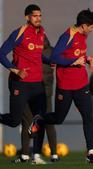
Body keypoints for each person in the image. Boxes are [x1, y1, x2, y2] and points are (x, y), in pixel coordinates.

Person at [29, 9, 93, 164]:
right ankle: (39, 119)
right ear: (83, 26)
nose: (92, 30)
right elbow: (55, 57)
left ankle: (91, 153)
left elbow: (75, 54)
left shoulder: (83, 35)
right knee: (59, 118)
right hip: (66, 87)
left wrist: (86, 58)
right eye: (91, 27)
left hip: (82, 85)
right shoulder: (67, 36)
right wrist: (73, 62)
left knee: (88, 117)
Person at [0, 4, 52, 164]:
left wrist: (52, 61)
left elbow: (38, 56)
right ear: (27, 17)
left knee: (39, 119)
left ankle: (35, 156)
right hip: (20, 84)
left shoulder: (42, 33)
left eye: (40, 15)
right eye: (35, 15)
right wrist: (15, 70)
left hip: (37, 84)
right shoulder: (20, 32)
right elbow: (1, 53)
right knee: (15, 121)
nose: (38, 18)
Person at [12, 37, 59, 163]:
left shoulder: (30, 52)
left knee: (26, 121)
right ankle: (53, 154)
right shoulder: (53, 52)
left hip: (30, 90)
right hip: (46, 93)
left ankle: (25, 154)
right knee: (46, 122)